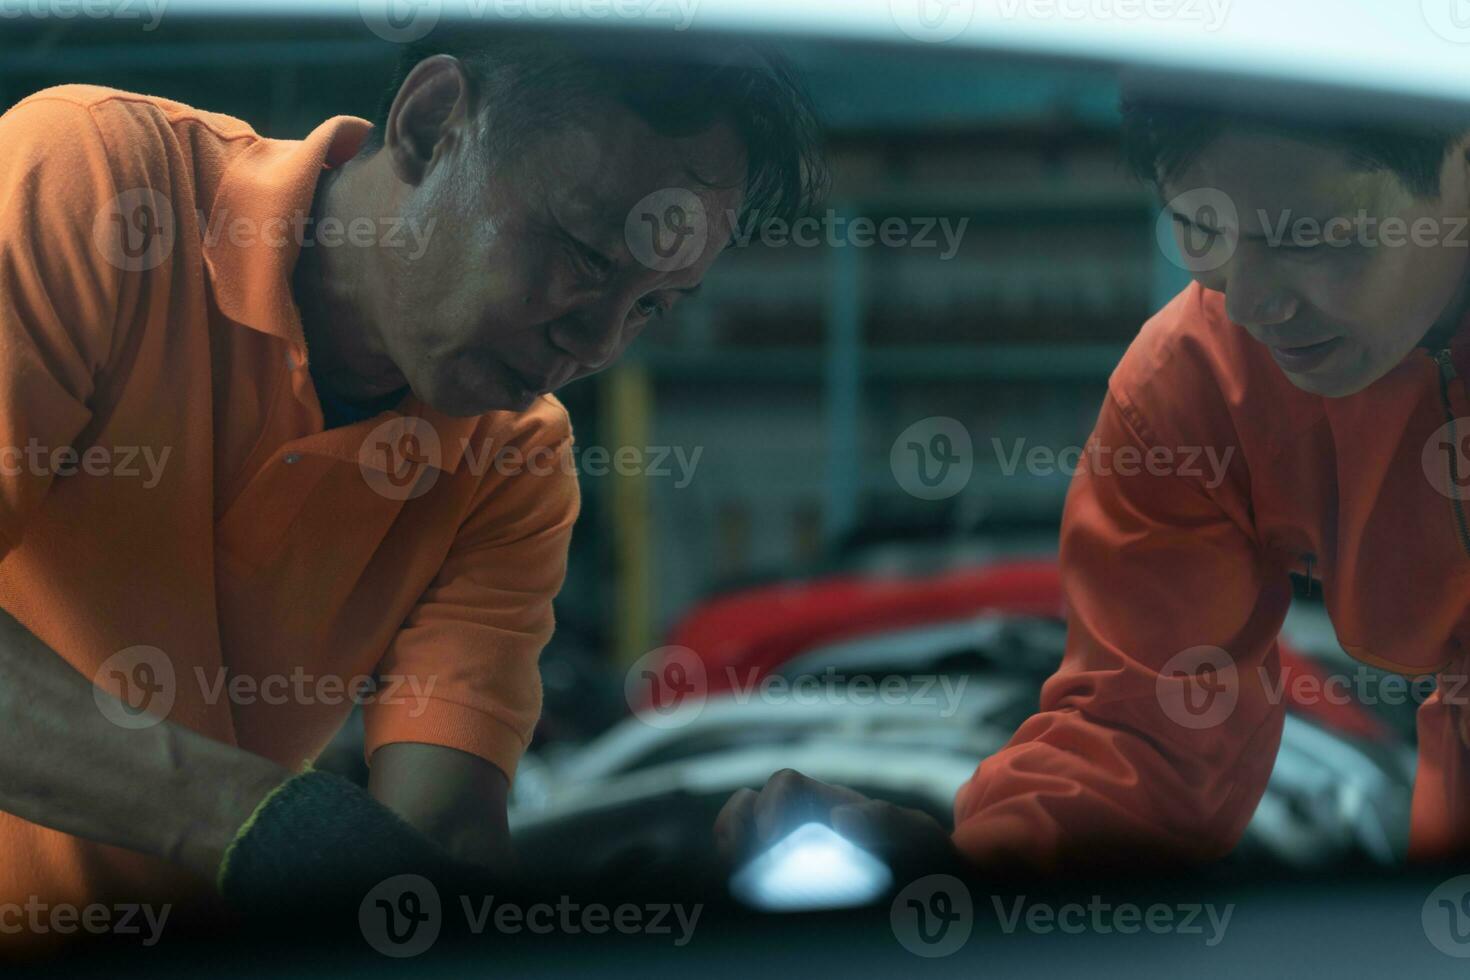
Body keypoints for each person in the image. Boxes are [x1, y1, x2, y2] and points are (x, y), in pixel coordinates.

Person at [0, 29, 823, 929]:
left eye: (653, 305)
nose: (598, 347)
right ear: (433, 125)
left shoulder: (511, 462)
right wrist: (262, 824)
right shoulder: (97, 186)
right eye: (587, 259)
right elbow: (323, 851)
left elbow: (440, 842)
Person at [717, 94, 1470, 874]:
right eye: (1201, 229)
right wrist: (985, 877)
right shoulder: (1197, 387)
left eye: (1309, 234)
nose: (1247, 303)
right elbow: (1143, 731)